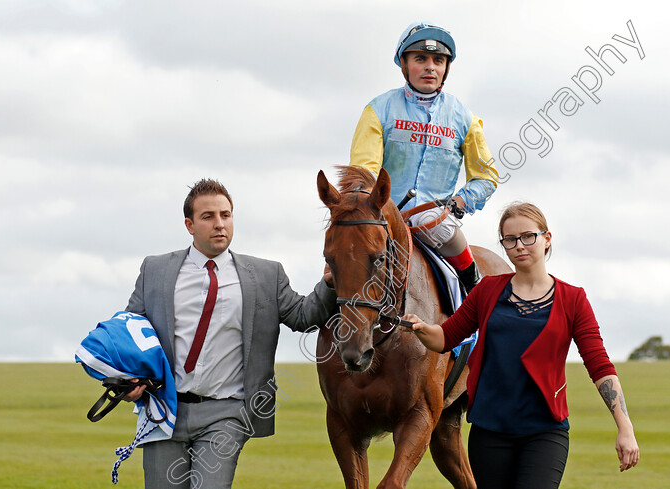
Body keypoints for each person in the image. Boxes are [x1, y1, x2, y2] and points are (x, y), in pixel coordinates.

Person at [405, 202, 640, 488]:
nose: (520, 245)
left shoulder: (573, 299)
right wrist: (419, 327)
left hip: (545, 432)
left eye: (528, 236)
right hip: (489, 432)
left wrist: (624, 427)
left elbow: (599, 364)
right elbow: (445, 338)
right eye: (510, 239)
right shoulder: (487, 290)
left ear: (547, 238)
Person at [122, 178, 336, 488]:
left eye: (226, 214)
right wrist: (130, 378)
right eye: (208, 216)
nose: (219, 223)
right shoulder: (156, 270)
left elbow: (304, 316)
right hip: (163, 410)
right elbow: (131, 331)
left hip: (226, 413)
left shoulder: (266, 274)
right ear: (190, 224)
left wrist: (328, 284)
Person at [349, 21, 500, 292]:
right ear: (405, 65)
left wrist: (460, 201)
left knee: (437, 228)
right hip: (382, 221)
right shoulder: (377, 110)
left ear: (446, 69)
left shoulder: (465, 118)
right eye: (420, 59)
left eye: (438, 60)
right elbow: (364, 174)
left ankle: (474, 295)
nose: (431, 66)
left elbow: (486, 177)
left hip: (435, 220)